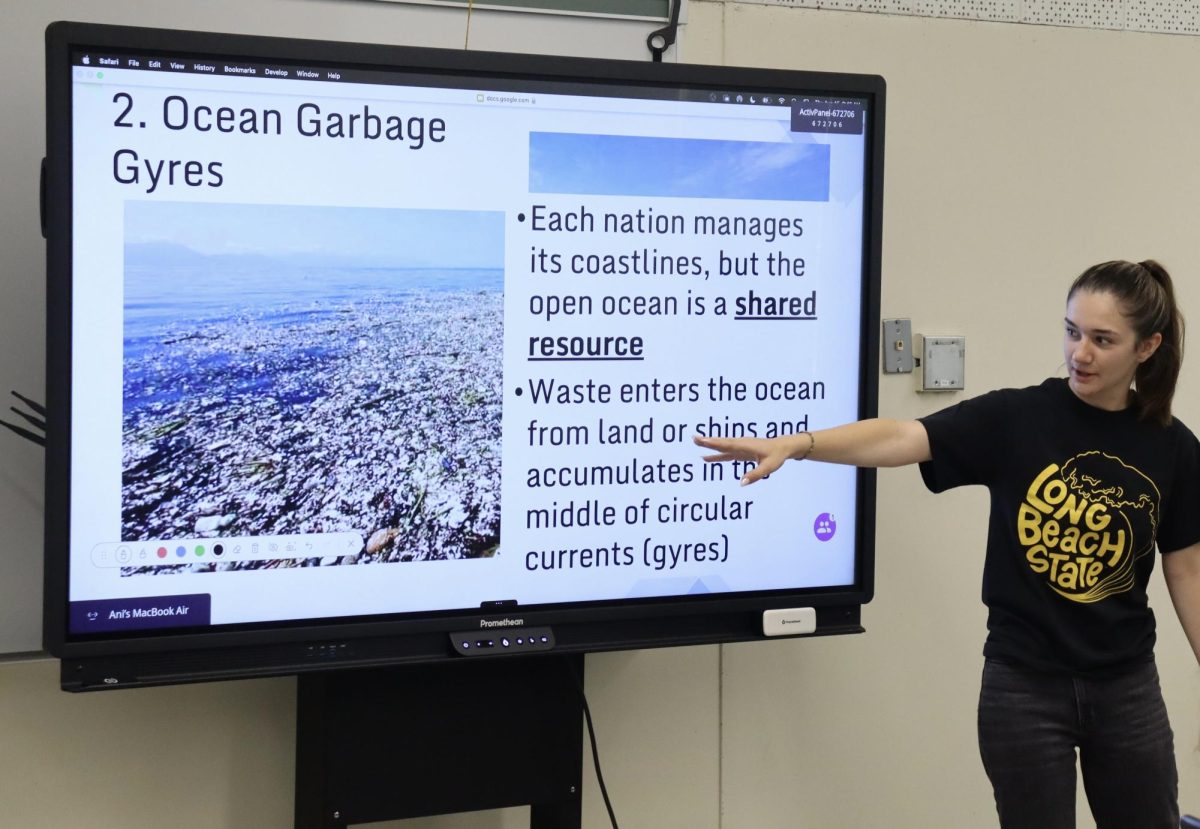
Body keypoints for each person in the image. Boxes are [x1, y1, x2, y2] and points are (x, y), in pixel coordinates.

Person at [694, 259, 1200, 829]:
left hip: (1126, 687)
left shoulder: (1173, 448)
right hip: (1024, 686)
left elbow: (1187, 573)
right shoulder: (1019, 417)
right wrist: (800, 444)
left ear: (1147, 346)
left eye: (1102, 340)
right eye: (1071, 331)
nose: (1079, 353)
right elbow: (905, 436)